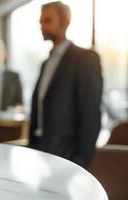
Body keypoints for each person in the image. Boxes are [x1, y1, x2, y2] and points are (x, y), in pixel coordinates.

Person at [28, 1, 103, 169]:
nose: (42, 26)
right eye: (41, 22)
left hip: (67, 156)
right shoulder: (45, 63)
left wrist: (81, 163)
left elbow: (91, 115)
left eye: (47, 20)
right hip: (39, 150)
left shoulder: (85, 59)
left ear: (65, 22)